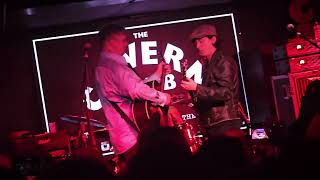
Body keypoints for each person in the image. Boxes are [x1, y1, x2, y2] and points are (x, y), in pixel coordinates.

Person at [95, 24, 172, 174]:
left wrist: (156, 74)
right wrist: (162, 98)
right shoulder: (112, 66)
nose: (127, 43)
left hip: (125, 138)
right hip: (131, 138)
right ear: (110, 41)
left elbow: (133, 86)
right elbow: (135, 89)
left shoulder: (106, 65)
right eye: (123, 40)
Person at [180, 23, 242, 139]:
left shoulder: (223, 62)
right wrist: (193, 96)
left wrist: (197, 88)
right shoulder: (208, 65)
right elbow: (212, 93)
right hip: (214, 124)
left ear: (213, 39)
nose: (197, 46)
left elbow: (226, 92)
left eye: (201, 41)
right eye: (195, 43)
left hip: (224, 123)